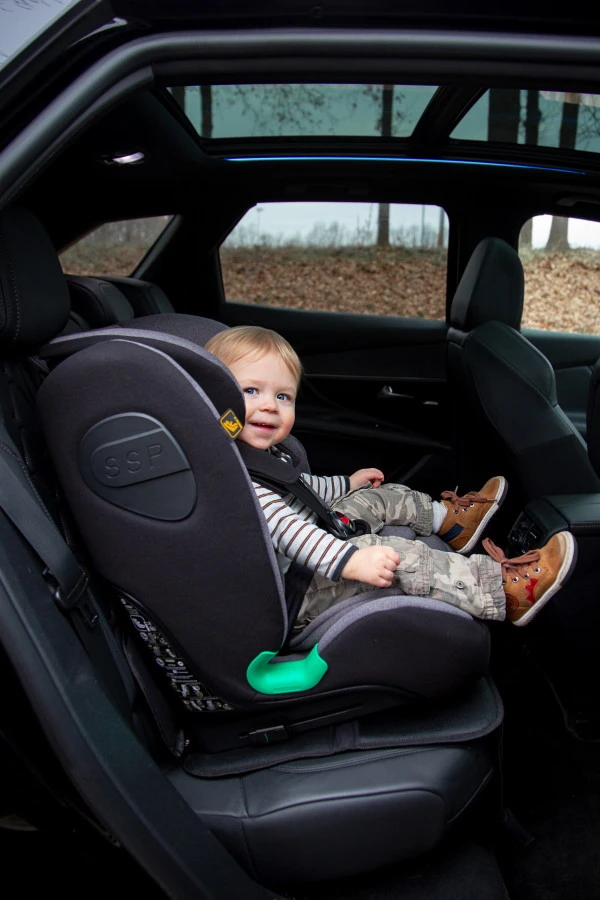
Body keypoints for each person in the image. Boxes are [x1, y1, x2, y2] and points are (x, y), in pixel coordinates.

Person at [205, 325, 577, 632]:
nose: (270, 405)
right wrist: (352, 561)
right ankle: (503, 591)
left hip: (313, 547)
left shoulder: (267, 454)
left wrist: (347, 485)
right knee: (400, 558)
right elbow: (289, 531)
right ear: (212, 399)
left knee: (379, 495)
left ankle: (449, 522)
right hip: (293, 590)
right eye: (251, 391)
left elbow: (301, 486)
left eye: (284, 396)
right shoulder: (234, 481)